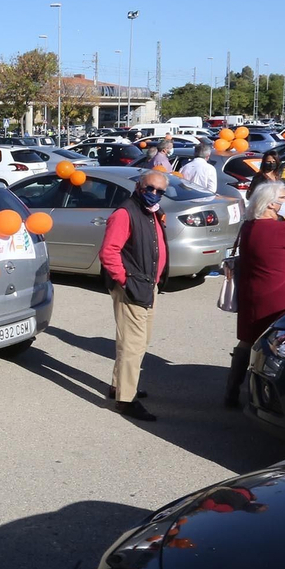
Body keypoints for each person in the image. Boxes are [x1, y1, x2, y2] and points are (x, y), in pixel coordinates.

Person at [224, 182, 285, 408]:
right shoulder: (284, 230)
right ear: (272, 204)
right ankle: (266, 398)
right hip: (278, 296)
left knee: (246, 342)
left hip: (250, 293)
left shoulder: (249, 226)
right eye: (284, 198)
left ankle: (231, 391)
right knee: (277, 347)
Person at [97, 170, 168, 422]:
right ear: (139, 186)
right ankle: (126, 400)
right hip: (133, 287)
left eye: (160, 191)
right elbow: (109, 253)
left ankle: (120, 386)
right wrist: (125, 281)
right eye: (150, 188)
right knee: (133, 345)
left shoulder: (150, 213)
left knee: (136, 341)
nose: (154, 194)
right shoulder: (125, 213)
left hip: (148, 285)